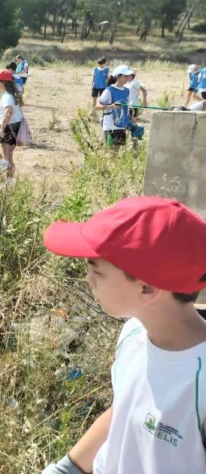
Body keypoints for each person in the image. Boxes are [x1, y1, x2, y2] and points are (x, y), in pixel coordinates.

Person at [40, 196, 206, 474]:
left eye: (97, 271)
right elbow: (125, 410)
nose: (87, 279)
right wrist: (68, 468)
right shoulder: (133, 333)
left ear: (147, 289)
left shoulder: (200, 384)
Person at [96, 65, 133, 150]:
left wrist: (128, 123)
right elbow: (97, 106)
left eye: (128, 76)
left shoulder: (126, 91)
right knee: (111, 153)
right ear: (118, 76)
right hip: (110, 126)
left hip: (121, 126)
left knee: (116, 152)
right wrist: (111, 106)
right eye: (125, 76)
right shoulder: (109, 90)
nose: (128, 77)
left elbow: (126, 108)